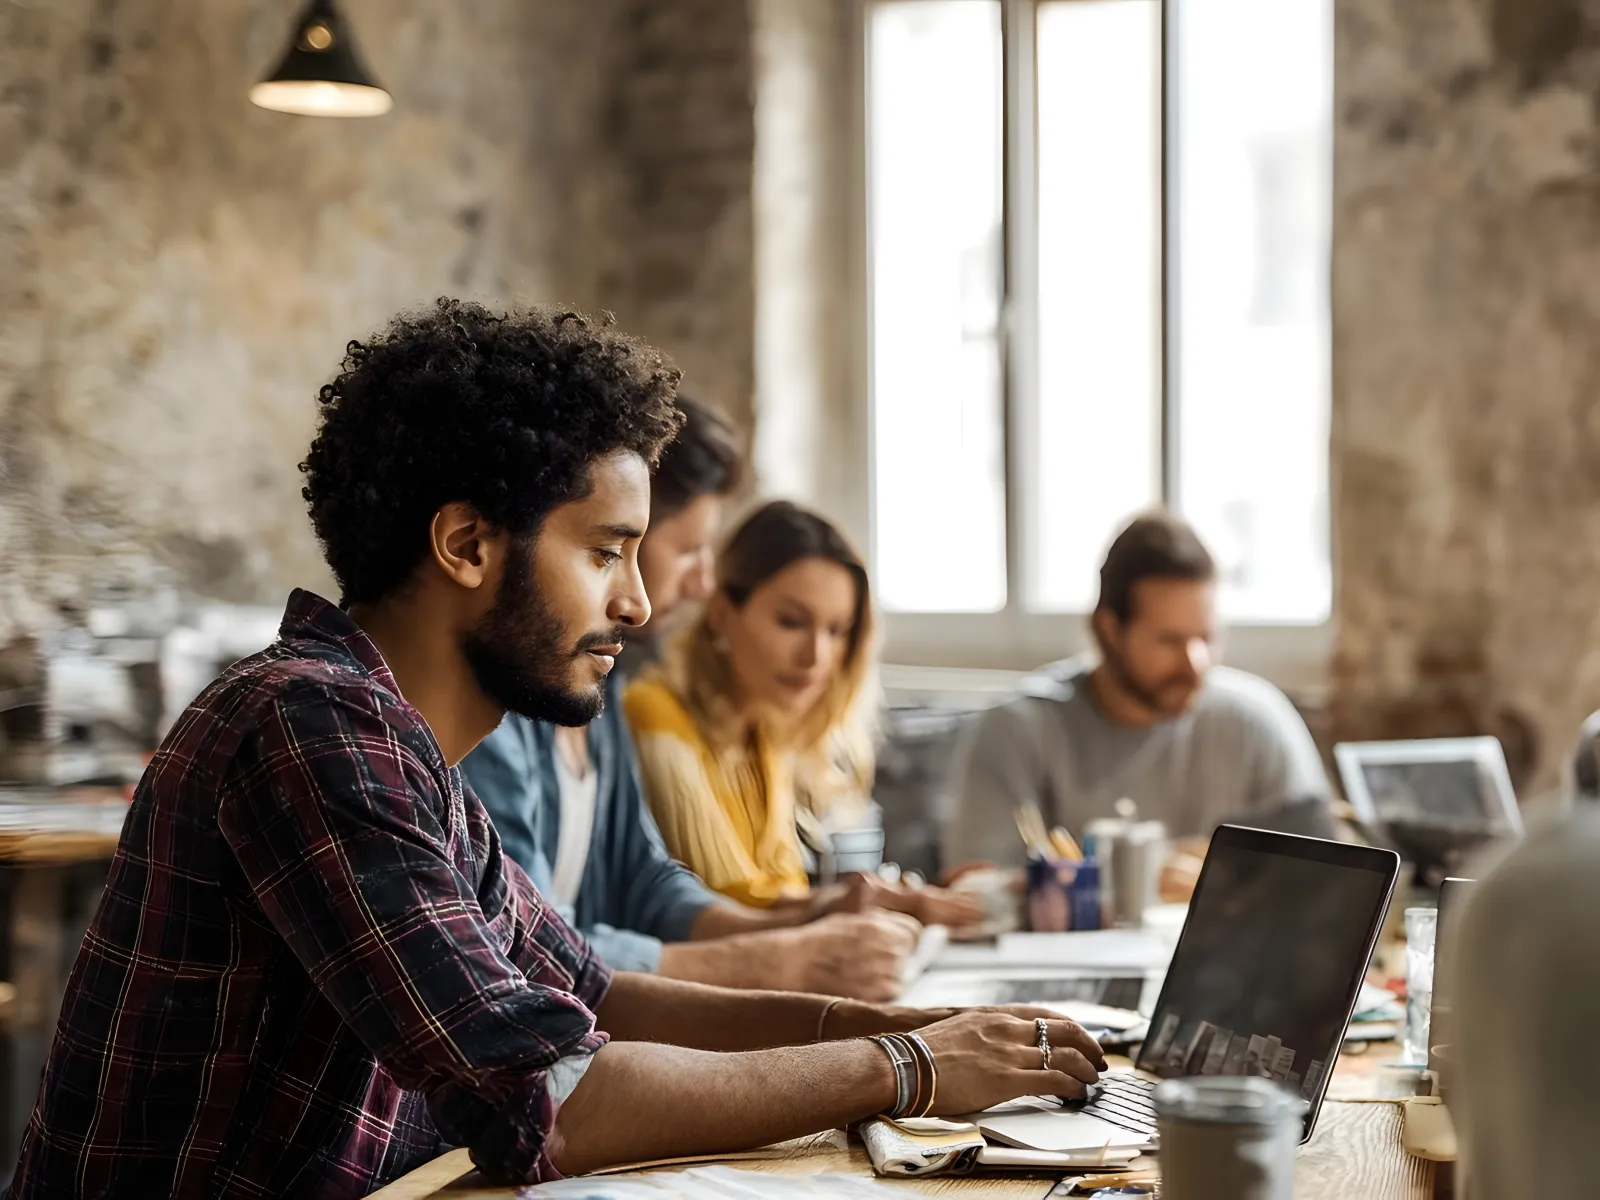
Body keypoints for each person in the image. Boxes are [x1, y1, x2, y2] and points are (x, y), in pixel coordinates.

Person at [9, 301, 1103, 1198]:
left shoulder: (406, 750)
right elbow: (547, 1100)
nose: (635, 602)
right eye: (604, 552)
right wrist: (905, 1070)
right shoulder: (306, 725)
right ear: (467, 544)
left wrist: (917, 1025)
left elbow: (597, 992)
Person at [463, 401, 923, 1000]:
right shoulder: (494, 717)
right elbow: (530, 946)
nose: (703, 585)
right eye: (610, 552)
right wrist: (775, 961)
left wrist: (801, 922)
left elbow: (646, 880)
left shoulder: (602, 687)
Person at [623, 501, 978, 927]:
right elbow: (724, 902)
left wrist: (890, 897)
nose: (817, 655)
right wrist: (886, 903)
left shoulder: (763, 732)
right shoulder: (655, 712)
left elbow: (779, 891)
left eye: (837, 631)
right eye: (792, 622)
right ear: (720, 613)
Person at [947, 512, 1332, 876]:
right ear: (1111, 629)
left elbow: (1331, 875)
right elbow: (977, 892)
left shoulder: (1257, 722)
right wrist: (1138, 881)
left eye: (1207, 638)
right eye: (1169, 641)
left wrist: (1228, 881)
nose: (1194, 663)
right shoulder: (1019, 730)